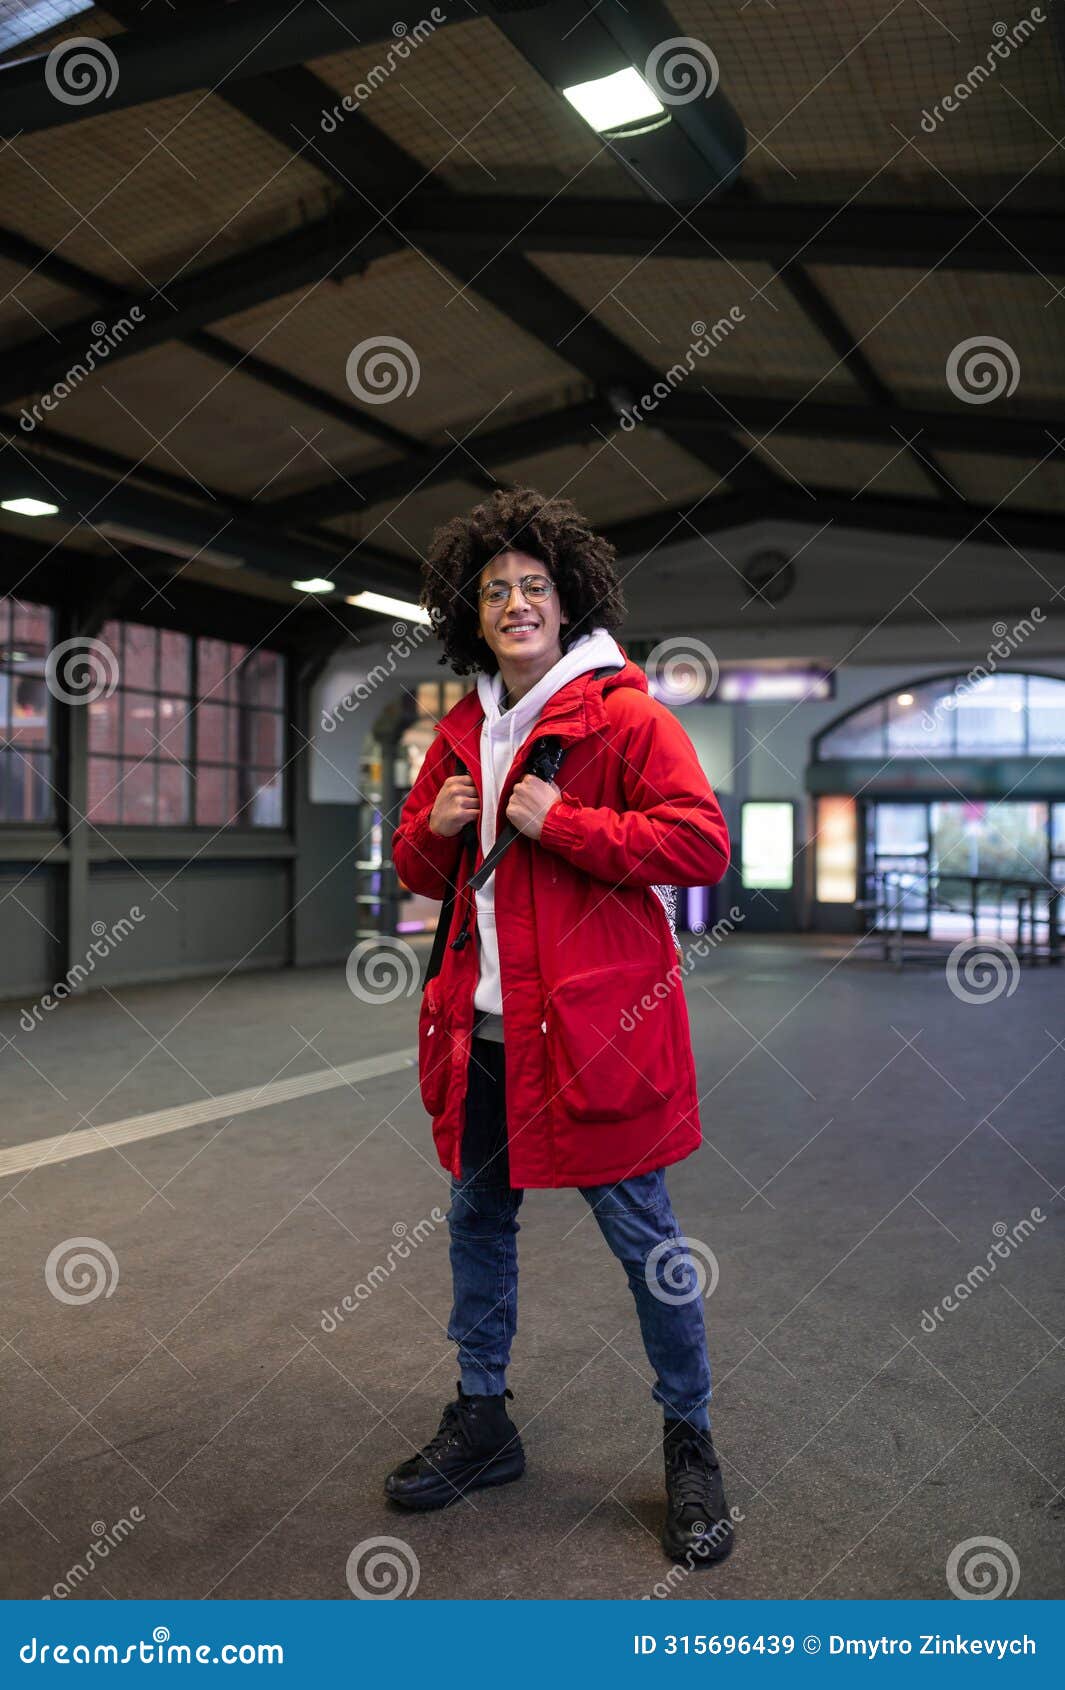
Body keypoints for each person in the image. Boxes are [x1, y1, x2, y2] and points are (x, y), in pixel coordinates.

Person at [386, 487, 733, 1565]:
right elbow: (416, 867)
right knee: (477, 1226)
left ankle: (691, 1442)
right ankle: (483, 1418)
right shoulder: (459, 733)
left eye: (534, 586)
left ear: (569, 598)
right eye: (495, 591)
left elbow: (701, 846)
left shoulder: (625, 715)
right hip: (479, 1037)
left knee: (648, 1245)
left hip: (594, 1037)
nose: (515, 602)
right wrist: (432, 825)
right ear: (471, 613)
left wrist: (565, 821)